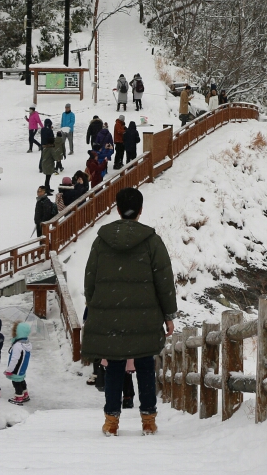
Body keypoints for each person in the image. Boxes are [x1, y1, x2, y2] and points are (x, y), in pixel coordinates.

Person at [84, 187, 176, 436]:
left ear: (117, 208)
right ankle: (148, 420)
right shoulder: (151, 241)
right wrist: (168, 315)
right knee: (145, 364)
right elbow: (164, 281)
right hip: (144, 317)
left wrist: (95, 308)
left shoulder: (101, 241)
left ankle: (111, 422)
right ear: (140, 210)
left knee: (114, 367)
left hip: (109, 315)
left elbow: (90, 279)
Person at [5, 321, 33, 404]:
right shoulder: (26, 343)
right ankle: (25, 394)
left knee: (16, 382)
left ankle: (18, 397)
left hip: (16, 368)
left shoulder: (18, 345)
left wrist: (9, 370)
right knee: (21, 380)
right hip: (22, 367)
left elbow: (14, 359)